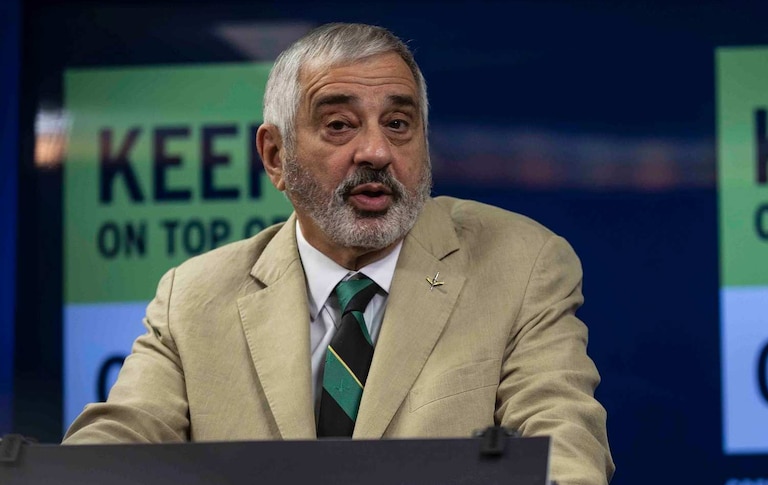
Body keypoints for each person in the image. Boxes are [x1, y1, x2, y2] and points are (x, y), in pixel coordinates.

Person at [64, 23, 614, 484]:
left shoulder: (520, 264)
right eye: (339, 125)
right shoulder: (195, 296)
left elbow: (562, 448)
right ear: (275, 156)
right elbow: (114, 446)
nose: (376, 151)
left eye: (398, 124)